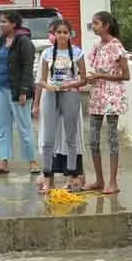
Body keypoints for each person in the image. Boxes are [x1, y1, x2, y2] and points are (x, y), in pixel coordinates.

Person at [32, 19, 87, 193]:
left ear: (70, 34)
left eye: (65, 32)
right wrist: (48, 86)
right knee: (48, 139)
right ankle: (47, 177)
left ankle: (72, 177)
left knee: (71, 137)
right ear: (54, 34)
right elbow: (41, 79)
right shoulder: (47, 54)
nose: (62, 35)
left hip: (70, 94)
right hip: (50, 94)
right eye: (59, 32)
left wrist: (70, 85)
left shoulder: (78, 53)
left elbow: (83, 78)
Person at [0, 11, 40, 175]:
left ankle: (32, 161)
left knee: (24, 126)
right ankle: (3, 161)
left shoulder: (23, 42)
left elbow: (27, 68)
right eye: (0, 22)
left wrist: (24, 91)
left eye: (4, 22)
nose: (0, 25)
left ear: (14, 24)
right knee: (2, 126)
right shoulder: (0, 41)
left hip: (17, 91)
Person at [85, 11, 131, 195]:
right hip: (97, 95)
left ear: (106, 26)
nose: (93, 26)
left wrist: (100, 76)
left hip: (112, 97)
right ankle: (99, 179)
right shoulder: (97, 46)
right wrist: (91, 79)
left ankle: (112, 182)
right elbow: (95, 69)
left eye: (96, 23)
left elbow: (126, 75)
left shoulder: (116, 46)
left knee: (112, 138)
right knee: (93, 139)